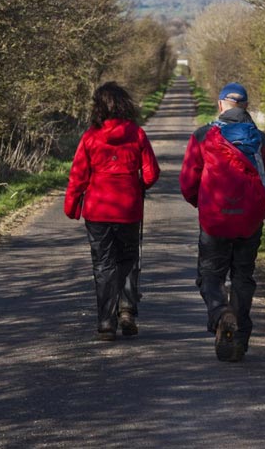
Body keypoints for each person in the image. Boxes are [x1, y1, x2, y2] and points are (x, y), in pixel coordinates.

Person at [179, 81, 265, 361]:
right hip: (250, 220)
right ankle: (238, 339)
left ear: (220, 105)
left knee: (210, 275)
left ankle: (221, 313)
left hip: (215, 219)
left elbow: (188, 183)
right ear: (246, 107)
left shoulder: (203, 135)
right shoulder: (260, 139)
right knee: (242, 276)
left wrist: (203, 205)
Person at [64, 82, 160, 340]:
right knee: (128, 259)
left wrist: (72, 205)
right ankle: (127, 310)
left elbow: (78, 176)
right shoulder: (137, 134)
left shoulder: (90, 137)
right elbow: (152, 173)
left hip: (97, 210)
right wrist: (136, 186)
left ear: (97, 107)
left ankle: (106, 322)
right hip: (128, 208)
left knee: (103, 264)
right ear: (125, 105)